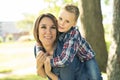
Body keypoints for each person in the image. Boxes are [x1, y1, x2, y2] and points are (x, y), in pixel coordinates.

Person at [35, 3, 103, 80]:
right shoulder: (59, 28)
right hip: (75, 59)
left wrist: (49, 61)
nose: (62, 23)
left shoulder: (73, 35)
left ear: (74, 24)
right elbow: (40, 41)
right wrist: (39, 50)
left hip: (87, 57)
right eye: (60, 18)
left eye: (67, 21)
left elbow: (65, 59)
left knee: (95, 76)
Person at [33, 13, 84, 80]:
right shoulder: (38, 49)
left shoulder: (66, 52)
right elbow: (42, 75)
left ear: (57, 31)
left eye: (53, 27)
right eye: (43, 27)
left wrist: (49, 73)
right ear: (37, 31)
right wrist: (38, 66)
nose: (48, 32)